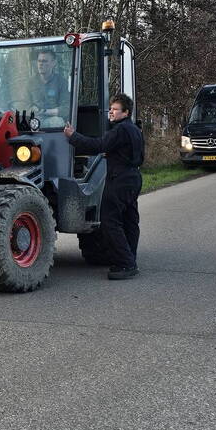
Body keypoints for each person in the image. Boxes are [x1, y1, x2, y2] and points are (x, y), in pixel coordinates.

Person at [63, 94, 144, 280]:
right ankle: (130, 259)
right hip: (133, 177)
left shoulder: (120, 130)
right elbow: (139, 156)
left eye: (115, 109)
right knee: (130, 220)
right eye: (111, 109)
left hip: (119, 179)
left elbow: (97, 145)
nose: (111, 112)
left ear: (126, 112)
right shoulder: (135, 130)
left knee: (110, 221)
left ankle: (125, 263)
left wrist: (73, 136)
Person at [30, 50, 70, 126]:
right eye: (39, 61)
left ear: (53, 63)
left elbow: (66, 109)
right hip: (33, 120)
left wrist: (44, 111)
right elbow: (23, 104)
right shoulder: (30, 83)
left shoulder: (62, 82)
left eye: (44, 61)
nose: (41, 64)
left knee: (56, 122)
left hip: (53, 121)